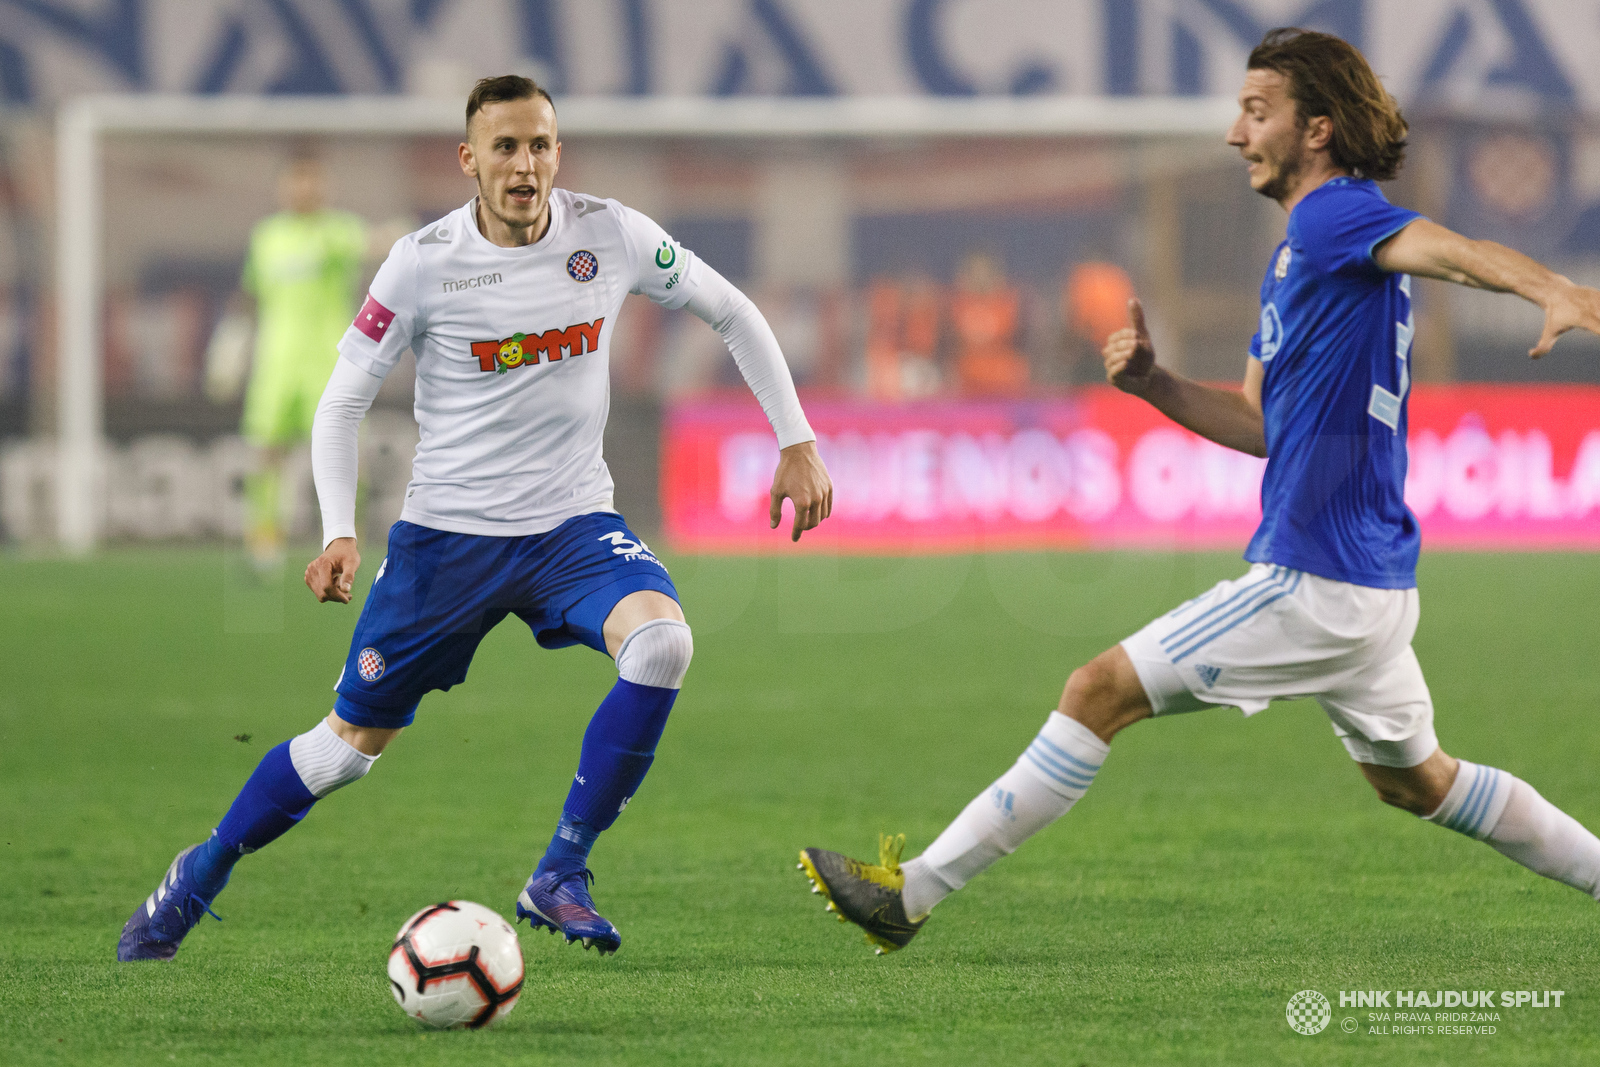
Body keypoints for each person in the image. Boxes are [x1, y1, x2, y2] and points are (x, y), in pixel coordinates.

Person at [799, 28, 1600, 955]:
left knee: (1097, 688)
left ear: (1318, 131)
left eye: (1258, 112)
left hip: (1317, 579)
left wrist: (1554, 288)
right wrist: (1155, 385)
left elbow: (1447, 249)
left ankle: (910, 894)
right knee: (1419, 781)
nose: (1234, 133)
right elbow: (1263, 426)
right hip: (1370, 584)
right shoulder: (1301, 257)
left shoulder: (1333, 216)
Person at [120, 74, 833, 961]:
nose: (525, 163)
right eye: (505, 147)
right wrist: (339, 527)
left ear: (557, 153)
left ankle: (561, 871)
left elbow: (730, 309)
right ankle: (200, 870)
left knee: (663, 644)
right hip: (447, 543)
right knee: (345, 751)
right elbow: (342, 400)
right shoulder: (423, 261)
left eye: (540, 144)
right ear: (469, 160)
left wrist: (795, 439)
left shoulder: (608, 233)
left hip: (572, 526)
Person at [207, 156, 368, 571]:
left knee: (342, 451)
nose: (304, 190)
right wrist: (230, 344)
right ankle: (264, 540)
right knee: (265, 452)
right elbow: (250, 292)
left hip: (328, 362)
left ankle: (349, 537)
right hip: (275, 363)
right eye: (296, 181)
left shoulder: (338, 230)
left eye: (312, 181)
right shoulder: (268, 236)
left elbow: (375, 243)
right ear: (284, 187)